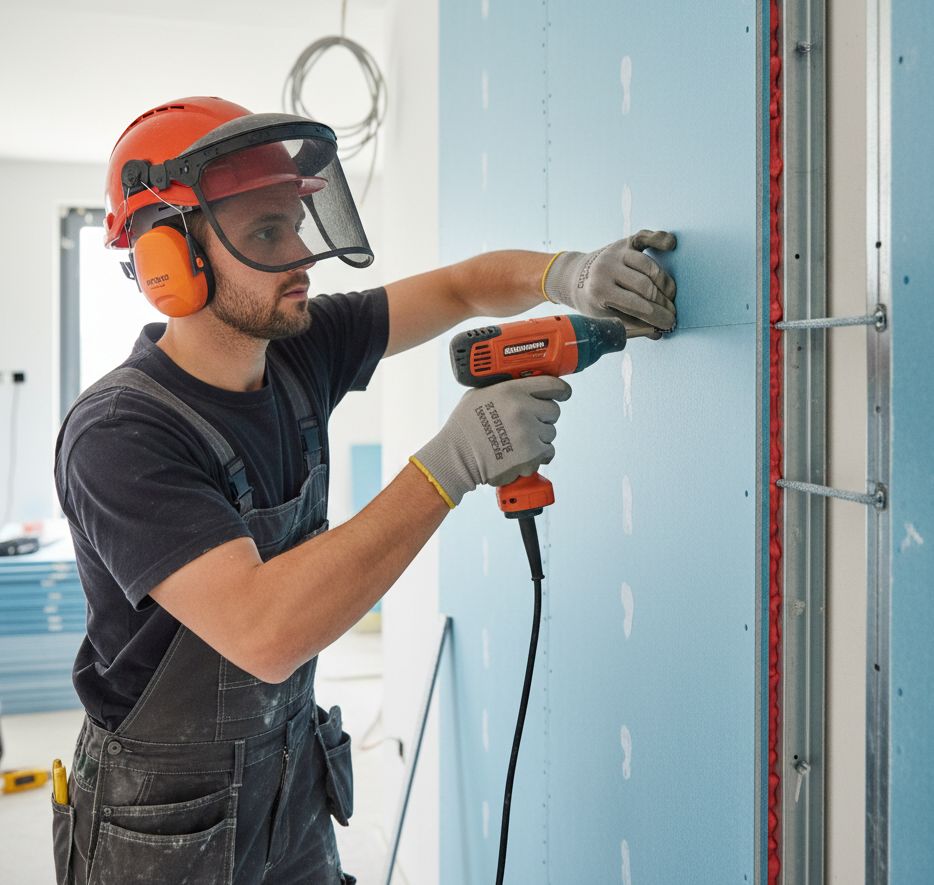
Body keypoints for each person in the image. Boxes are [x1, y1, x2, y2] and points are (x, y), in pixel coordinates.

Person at [52, 96, 677, 884]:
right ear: (168, 261)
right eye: (267, 233)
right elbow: (266, 630)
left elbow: (458, 290)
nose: (303, 257)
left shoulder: (299, 349)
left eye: (297, 224)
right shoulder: (119, 432)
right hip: (161, 823)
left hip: (291, 784)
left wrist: (567, 274)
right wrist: (452, 461)